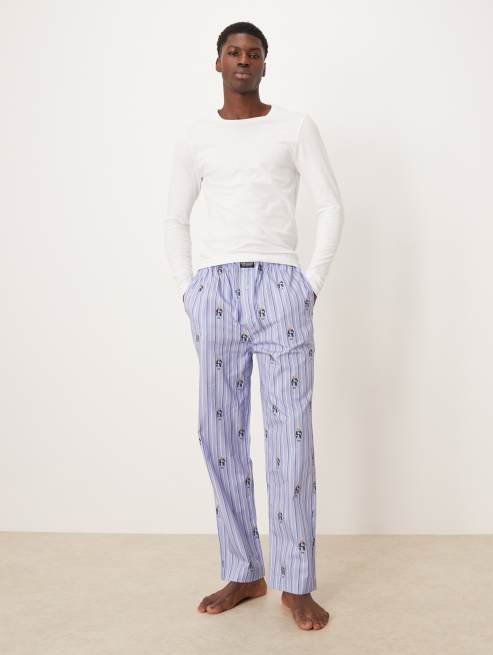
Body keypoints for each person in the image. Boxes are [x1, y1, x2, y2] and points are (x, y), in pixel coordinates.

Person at [163, 21, 344, 631]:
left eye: (254, 53)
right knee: (219, 433)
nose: (243, 60)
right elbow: (175, 218)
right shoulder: (196, 138)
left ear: (266, 64)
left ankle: (296, 582)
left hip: (280, 286)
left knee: (290, 435)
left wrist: (309, 283)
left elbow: (330, 205)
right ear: (217, 63)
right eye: (233, 52)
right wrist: (189, 289)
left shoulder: (294, 127)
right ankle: (244, 570)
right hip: (215, 290)